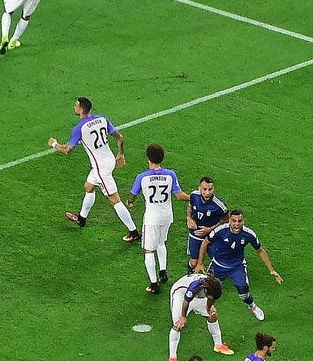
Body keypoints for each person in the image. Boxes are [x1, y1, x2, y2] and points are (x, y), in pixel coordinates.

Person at [48, 97, 140, 243]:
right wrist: (121, 153)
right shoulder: (102, 119)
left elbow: (67, 150)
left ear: (81, 109)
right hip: (109, 160)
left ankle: (134, 232)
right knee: (89, 187)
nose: (74, 107)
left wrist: (54, 144)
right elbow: (120, 137)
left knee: (115, 200)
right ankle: (81, 219)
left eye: (76, 105)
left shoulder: (79, 128)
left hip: (100, 168)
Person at [127, 144, 189, 293]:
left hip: (152, 219)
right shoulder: (170, 175)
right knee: (161, 243)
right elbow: (179, 195)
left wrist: (129, 202)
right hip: (167, 216)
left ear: (148, 158)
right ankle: (163, 272)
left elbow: (133, 195)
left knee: (149, 251)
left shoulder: (142, 177)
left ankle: (154, 284)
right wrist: (193, 197)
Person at [204, 210, 282, 321]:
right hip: (218, 265)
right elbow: (206, 242)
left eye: (239, 221)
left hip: (237, 266)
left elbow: (260, 250)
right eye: (234, 221)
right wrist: (199, 263)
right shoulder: (220, 230)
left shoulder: (248, 234)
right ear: (229, 220)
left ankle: (252, 307)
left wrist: (271, 270)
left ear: (243, 221)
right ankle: (207, 309)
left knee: (243, 293)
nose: (236, 224)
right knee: (210, 292)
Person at [167, 271, 228, 361]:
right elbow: (186, 301)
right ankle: (172, 357)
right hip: (181, 296)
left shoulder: (215, 286)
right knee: (178, 325)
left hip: (197, 297)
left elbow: (212, 298)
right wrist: (183, 317)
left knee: (212, 316)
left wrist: (208, 308)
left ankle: (218, 345)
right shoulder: (195, 286)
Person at [186, 176, 230, 273]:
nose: (207, 192)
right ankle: (191, 276)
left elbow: (227, 220)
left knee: (218, 260)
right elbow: (190, 206)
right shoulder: (194, 196)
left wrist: (210, 229)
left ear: (213, 189)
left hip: (212, 235)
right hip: (196, 233)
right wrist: (189, 217)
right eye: (204, 189)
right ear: (199, 188)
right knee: (193, 263)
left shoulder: (219, 205)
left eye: (210, 189)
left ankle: (213, 278)